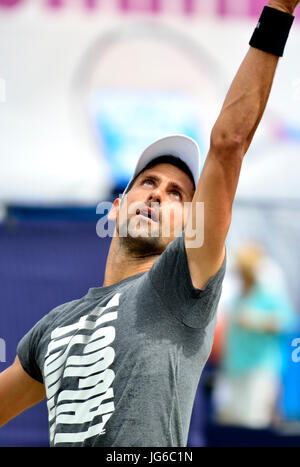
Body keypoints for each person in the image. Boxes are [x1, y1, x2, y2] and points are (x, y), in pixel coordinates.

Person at [0, 0, 299, 447]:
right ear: (118, 207)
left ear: (190, 226)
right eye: (149, 182)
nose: (159, 193)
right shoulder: (51, 327)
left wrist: (277, 11)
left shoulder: (180, 284)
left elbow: (229, 142)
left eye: (178, 194)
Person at [213, 244, 295, 429]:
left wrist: (256, 320)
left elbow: (287, 322)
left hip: (260, 369)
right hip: (234, 368)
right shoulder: (236, 298)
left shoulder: (269, 295)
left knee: (254, 422)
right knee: (232, 420)